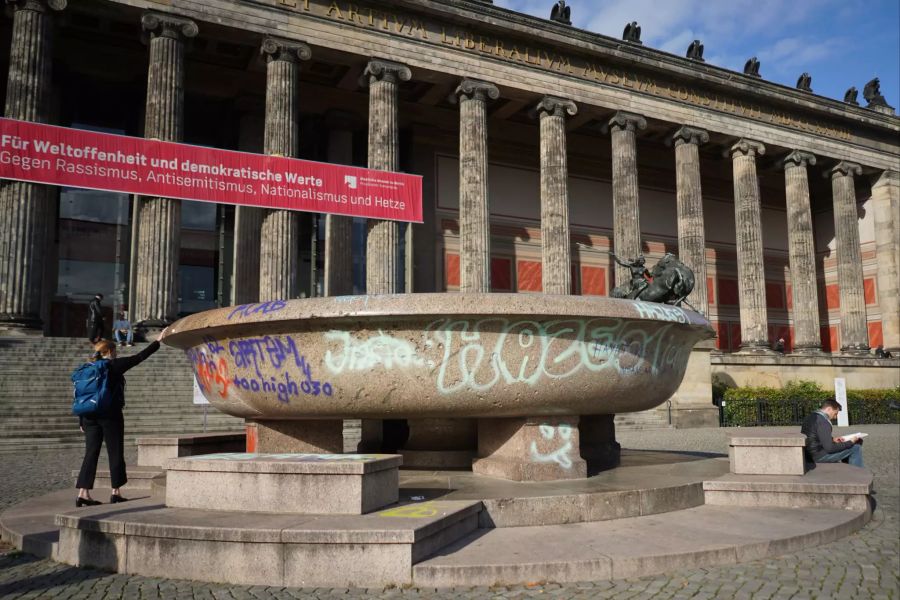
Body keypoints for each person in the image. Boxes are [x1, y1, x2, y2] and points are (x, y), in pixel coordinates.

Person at [75, 336, 162, 507]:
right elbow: (139, 357)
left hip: (88, 416)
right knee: (115, 452)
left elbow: (81, 394)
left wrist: (81, 420)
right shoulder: (113, 366)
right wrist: (158, 341)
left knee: (90, 453)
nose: (117, 353)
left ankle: (83, 493)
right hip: (110, 415)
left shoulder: (86, 368)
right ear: (111, 352)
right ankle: (116, 492)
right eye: (115, 351)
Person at [800, 399, 864, 468]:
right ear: (829, 409)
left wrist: (833, 439)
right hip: (818, 456)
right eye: (835, 413)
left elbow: (815, 436)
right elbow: (830, 448)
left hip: (809, 454)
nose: (835, 417)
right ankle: (857, 473)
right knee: (855, 448)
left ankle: (848, 469)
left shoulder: (812, 416)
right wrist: (850, 442)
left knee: (845, 446)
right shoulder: (823, 422)